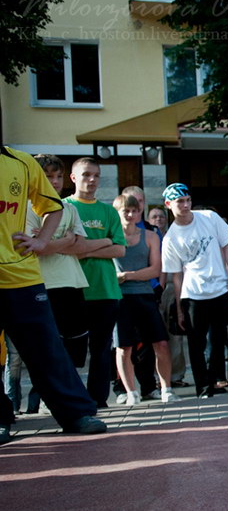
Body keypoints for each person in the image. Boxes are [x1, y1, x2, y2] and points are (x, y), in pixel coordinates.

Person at [1, 145, 106, 444]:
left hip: (22, 275)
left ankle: (76, 414)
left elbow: (53, 207)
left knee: (46, 348)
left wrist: (43, 242)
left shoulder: (21, 162)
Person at [160, 183, 228, 398]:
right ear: (168, 204)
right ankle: (204, 388)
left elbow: (227, 246)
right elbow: (177, 276)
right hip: (193, 295)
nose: (185, 205)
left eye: (188, 200)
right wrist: (180, 308)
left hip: (221, 288)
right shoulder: (170, 238)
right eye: (179, 202)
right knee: (196, 343)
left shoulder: (209, 217)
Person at [64, 158, 127, 408]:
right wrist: (104, 242)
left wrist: (85, 248)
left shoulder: (108, 212)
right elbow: (68, 249)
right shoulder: (64, 208)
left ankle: (98, 400)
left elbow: (120, 250)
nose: (92, 180)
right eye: (86, 174)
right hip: (72, 289)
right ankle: (72, 400)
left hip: (105, 290)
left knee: (102, 349)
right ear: (73, 178)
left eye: (96, 175)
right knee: (71, 350)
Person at [112, 194, 179, 404]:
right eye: (126, 211)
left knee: (161, 343)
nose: (131, 215)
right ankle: (131, 392)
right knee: (124, 347)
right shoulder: (110, 237)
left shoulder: (150, 236)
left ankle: (166, 388)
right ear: (117, 212)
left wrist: (126, 276)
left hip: (145, 295)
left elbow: (155, 270)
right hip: (120, 298)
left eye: (135, 211)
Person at [149, 205, 189, 387]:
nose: (158, 219)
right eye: (154, 217)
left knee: (175, 333)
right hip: (153, 287)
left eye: (161, 216)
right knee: (157, 335)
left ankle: (177, 375)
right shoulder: (148, 237)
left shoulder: (174, 236)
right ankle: (158, 377)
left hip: (174, 286)